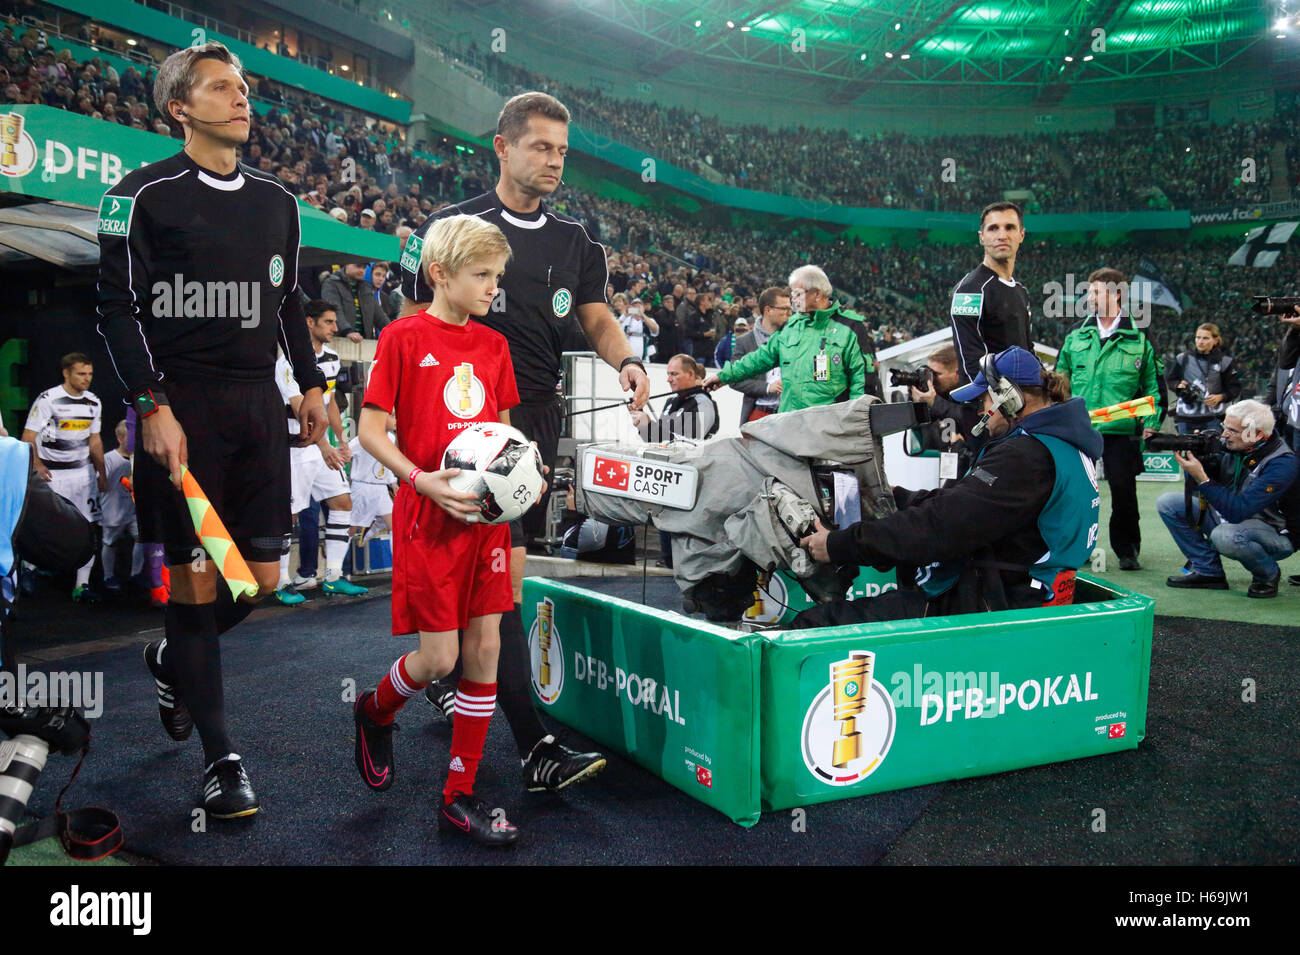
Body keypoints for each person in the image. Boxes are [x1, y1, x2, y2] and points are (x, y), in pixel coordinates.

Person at [96, 42, 328, 818]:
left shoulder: (279, 202)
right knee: (197, 583)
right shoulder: (138, 196)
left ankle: (171, 656)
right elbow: (117, 308)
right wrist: (149, 404)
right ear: (179, 108)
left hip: (259, 404)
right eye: (223, 88)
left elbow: (288, 301)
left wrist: (313, 385)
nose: (243, 99)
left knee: (259, 582)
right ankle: (223, 760)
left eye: (246, 88)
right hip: (181, 405)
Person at [397, 91, 648, 793]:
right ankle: (527, 737)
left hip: (532, 425)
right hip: (462, 429)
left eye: (563, 151)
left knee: (503, 589)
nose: (555, 162)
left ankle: (464, 689)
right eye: (541, 146)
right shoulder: (452, 227)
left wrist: (626, 360)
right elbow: (414, 319)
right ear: (502, 146)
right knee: (488, 594)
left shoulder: (576, 242)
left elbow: (596, 317)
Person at [352, 214, 520, 845]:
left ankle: (459, 794)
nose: (491, 287)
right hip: (428, 518)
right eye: (481, 275)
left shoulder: (494, 346)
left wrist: (522, 477)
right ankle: (374, 710)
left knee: (484, 653)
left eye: (497, 276)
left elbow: (505, 435)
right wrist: (419, 479)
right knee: (440, 658)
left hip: (486, 524)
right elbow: (371, 431)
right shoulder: (401, 337)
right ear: (440, 273)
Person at [795, 347, 1102, 627]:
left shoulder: (1025, 457)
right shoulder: (1061, 446)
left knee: (813, 625)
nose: (979, 409)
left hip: (991, 607)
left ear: (1008, 397)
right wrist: (890, 497)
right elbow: (962, 504)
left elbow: (939, 527)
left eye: (983, 397)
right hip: (1022, 594)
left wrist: (837, 545)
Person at [1056, 268, 1165, 571]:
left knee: (1123, 492)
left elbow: (1153, 386)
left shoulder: (1141, 336)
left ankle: (1127, 550)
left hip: (1122, 430)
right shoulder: (1076, 333)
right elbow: (1060, 382)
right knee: (1074, 492)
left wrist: (1153, 422)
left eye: (1097, 292)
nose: (1090, 298)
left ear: (1117, 294)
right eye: (1089, 292)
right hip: (1079, 429)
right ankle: (1075, 548)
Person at [1159, 399, 1300, 598]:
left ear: (1258, 434)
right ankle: (1209, 572)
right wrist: (1200, 458)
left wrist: (1202, 477)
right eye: (1225, 426)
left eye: (1232, 430)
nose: (1224, 434)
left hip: (1276, 533)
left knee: (1225, 535)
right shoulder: (1239, 446)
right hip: (1236, 520)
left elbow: (1238, 511)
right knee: (1169, 504)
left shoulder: (1283, 464)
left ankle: (1267, 574)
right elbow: (1212, 488)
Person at [704, 266, 867, 413]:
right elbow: (758, 359)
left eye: (797, 294)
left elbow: (862, 382)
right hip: (789, 425)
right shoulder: (791, 328)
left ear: (817, 294)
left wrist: (855, 424)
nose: (793, 300)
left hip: (829, 428)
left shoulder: (851, 328)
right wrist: (723, 376)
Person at [21, 353, 106, 601]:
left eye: (89, 374)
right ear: (66, 373)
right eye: (81, 374)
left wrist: (101, 472)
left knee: (89, 527)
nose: (86, 379)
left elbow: (95, 440)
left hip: (83, 475)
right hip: (54, 475)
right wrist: (36, 465)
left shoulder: (93, 402)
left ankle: (82, 586)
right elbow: (28, 436)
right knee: (42, 524)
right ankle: (28, 571)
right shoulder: (48, 399)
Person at [949, 202, 1032, 384]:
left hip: (1024, 403)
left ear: (1021, 235)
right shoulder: (968, 291)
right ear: (981, 237)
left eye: (1010, 227)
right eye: (993, 228)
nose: (1002, 235)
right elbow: (969, 361)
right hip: (990, 406)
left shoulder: (1020, 290)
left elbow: (1028, 350)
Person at [729, 286, 791, 424]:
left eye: (790, 309)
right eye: (784, 309)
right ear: (768, 310)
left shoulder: (794, 339)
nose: (789, 314)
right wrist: (767, 387)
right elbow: (734, 379)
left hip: (788, 415)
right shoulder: (744, 341)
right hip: (757, 413)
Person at [908, 343, 979, 464]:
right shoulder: (937, 393)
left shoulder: (972, 392)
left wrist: (934, 402)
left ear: (957, 374)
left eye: (936, 374)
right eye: (928, 372)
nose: (931, 379)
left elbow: (971, 419)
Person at [1167, 323, 1240, 434]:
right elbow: (1171, 380)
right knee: (1187, 451)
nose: (1200, 341)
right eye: (1198, 337)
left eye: (1205, 338)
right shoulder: (1183, 358)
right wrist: (1178, 385)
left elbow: (1234, 388)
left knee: (1214, 450)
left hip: (1214, 417)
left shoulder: (1225, 362)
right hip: (1186, 416)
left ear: (1215, 340)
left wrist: (1220, 397)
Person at [631, 354, 719, 444]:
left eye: (674, 374)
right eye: (668, 374)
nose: (669, 379)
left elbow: (688, 444)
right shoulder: (671, 401)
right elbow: (657, 441)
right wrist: (643, 425)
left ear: (690, 374)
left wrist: (649, 426)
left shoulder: (703, 403)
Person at [99, 420, 142, 594]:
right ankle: (108, 576)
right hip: (113, 509)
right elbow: (101, 483)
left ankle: (136, 574)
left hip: (133, 509)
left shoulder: (139, 457)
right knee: (110, 543)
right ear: (120, 437)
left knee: (141, 538)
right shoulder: (109, 458)